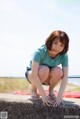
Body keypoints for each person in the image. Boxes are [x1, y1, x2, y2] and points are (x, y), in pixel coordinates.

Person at [25, 30, 69, 106]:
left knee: (59, 71)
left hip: (48, 76)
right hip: (33, 74)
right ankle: (33, 89)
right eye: (55, 43)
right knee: (44, 69)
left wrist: (60, 96)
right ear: (50, 41)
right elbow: (34, 75)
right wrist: (44, 96)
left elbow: (65, 77)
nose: (57, 47)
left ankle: (51, 91)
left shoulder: (64, 55)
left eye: (61, 45)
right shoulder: (39, 52)